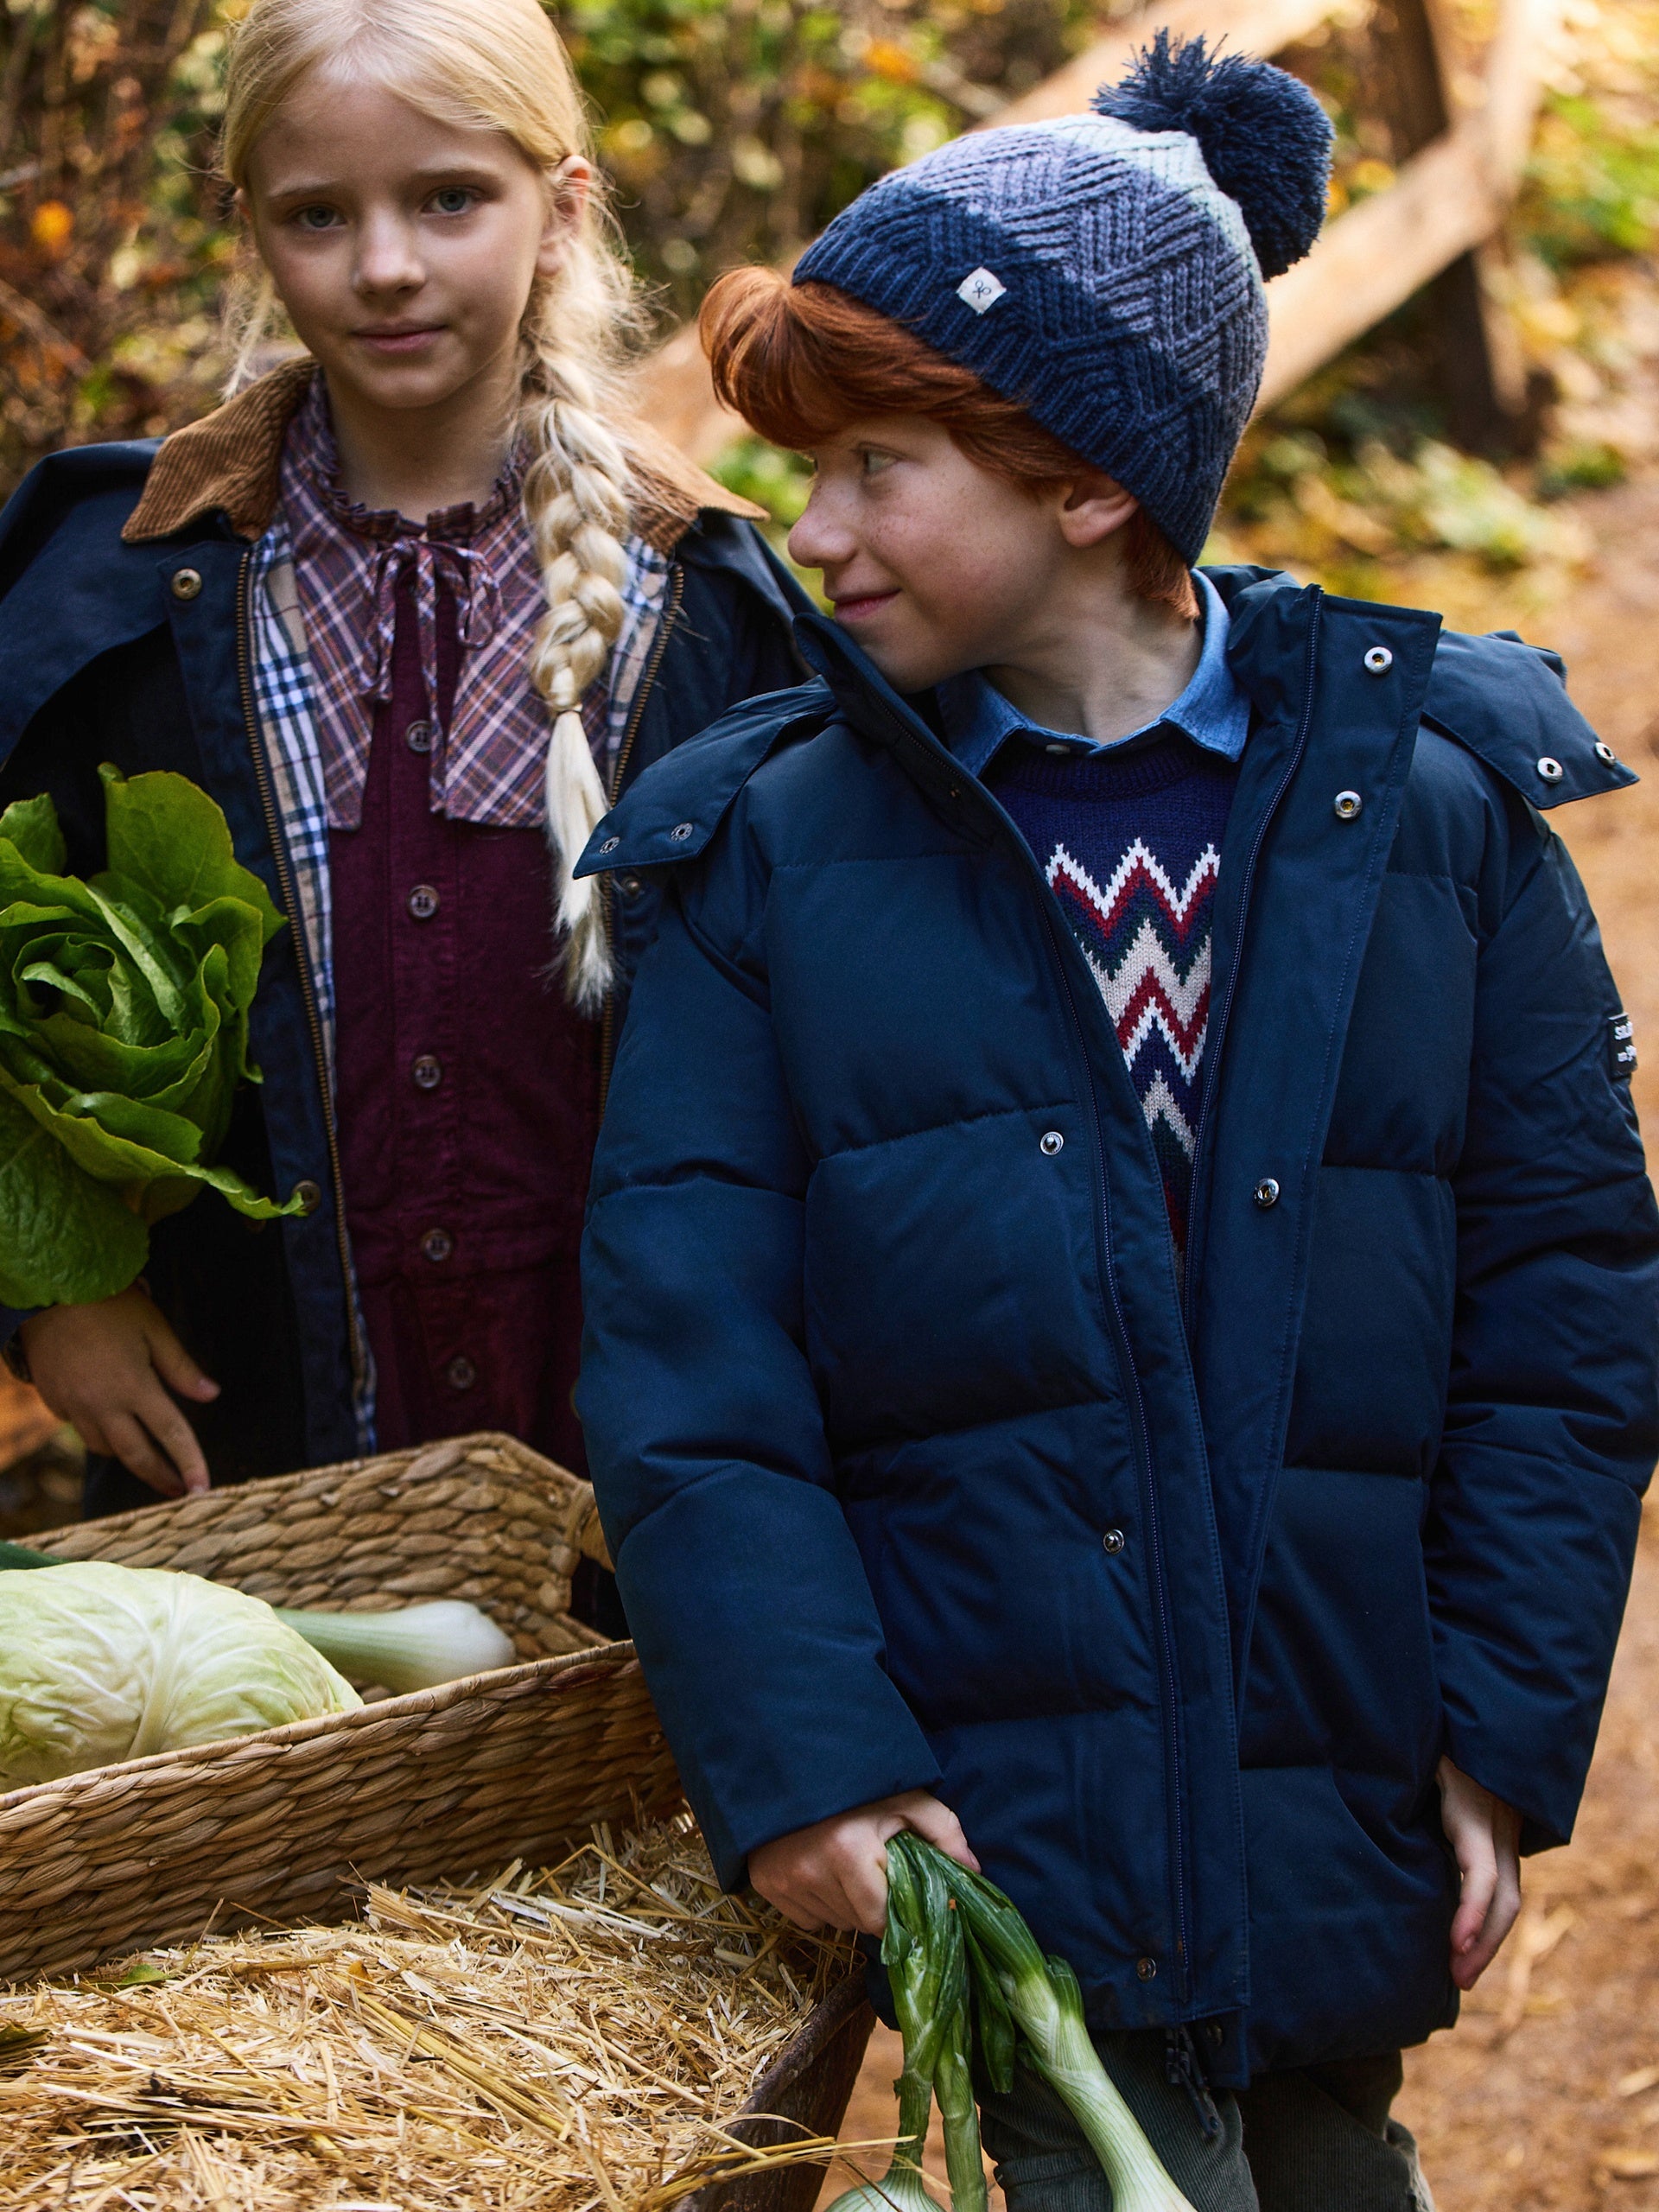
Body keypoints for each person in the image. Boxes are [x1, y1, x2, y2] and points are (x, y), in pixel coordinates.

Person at [575, 37, 1659, 2207]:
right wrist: (810, 1754)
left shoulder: (1430, 813)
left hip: (1335, 1791)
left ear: (1087, 476)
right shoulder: (771, 855)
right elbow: (693, 1355)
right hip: (1001, 1816)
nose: (818, 530)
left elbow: (1567, 1298)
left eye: (881, 464)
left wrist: (1494, 1740)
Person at [0, 0, 805, 1580]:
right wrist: (50, 1293)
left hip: (634, 1475)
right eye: (319, 214)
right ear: (251, 229)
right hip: (241, 1459)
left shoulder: (711, 606)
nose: (384, 266)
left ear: (560, 207)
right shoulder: (108, 596)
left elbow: (831, 1059)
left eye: (448, 198)